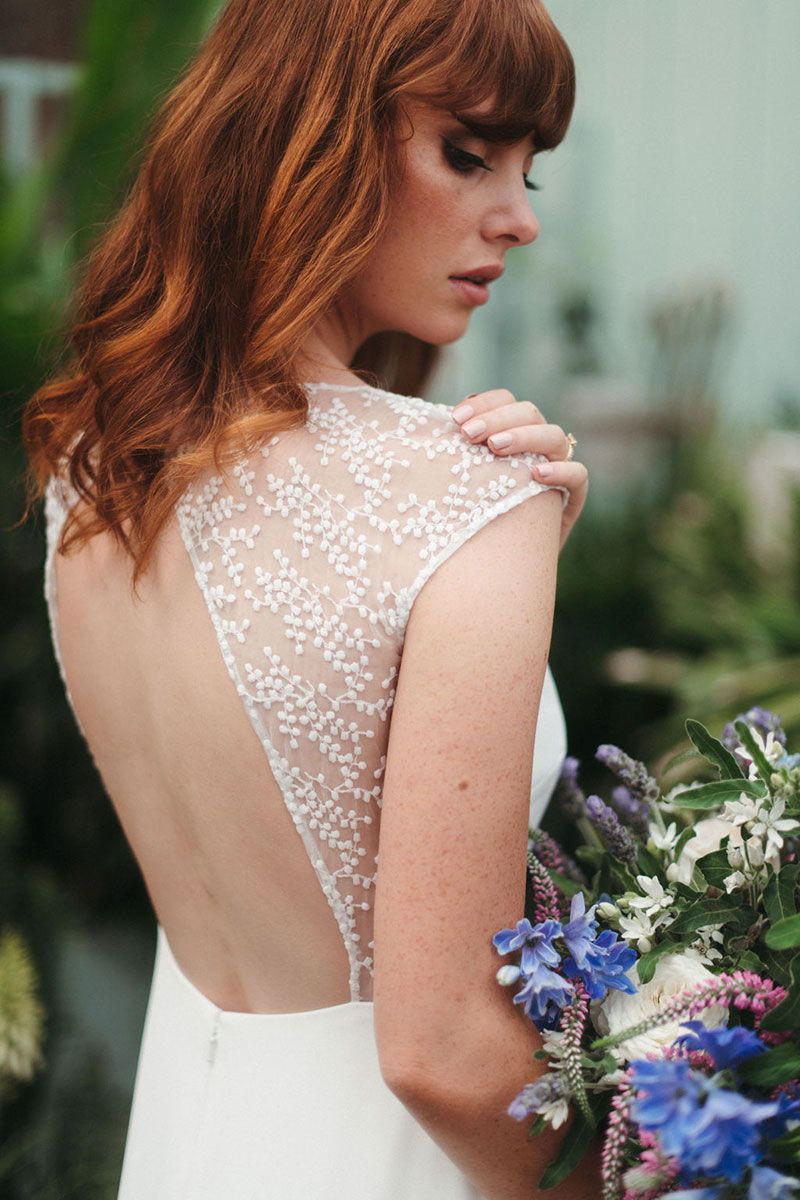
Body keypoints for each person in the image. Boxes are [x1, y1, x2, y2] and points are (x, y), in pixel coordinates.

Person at [23, 0, 594, 1196]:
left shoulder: (91, 464)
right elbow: (440, 1053)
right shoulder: (468, 502)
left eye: (530, 167)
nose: (520, 218)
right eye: (468, 151)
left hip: (196, 1133)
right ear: (312, 132)